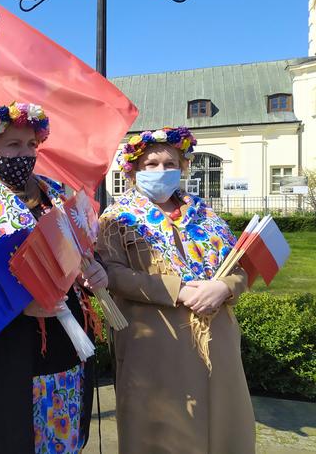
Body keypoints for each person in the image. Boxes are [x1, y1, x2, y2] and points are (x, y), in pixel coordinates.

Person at [0, 102, 109, 454]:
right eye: (13, 145)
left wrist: (93, 268)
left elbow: (81, 248)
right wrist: (19, 304)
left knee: (59, 439)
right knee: (3, 439)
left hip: (61, 357)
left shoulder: (54, 195)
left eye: (31, 145)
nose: (24, 154)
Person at [98, 126, 255, 454]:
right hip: (156, 340)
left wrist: (224, 287)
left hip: (217, 336)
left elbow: (240, 265)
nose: (161, 171)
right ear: (134, 170)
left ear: (183, 167)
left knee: (223, 421)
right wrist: (178, 290)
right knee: (160, 427)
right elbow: (112, 273)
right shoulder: (117, 218)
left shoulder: (205, 213)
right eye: (150, 165)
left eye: (170, 164)